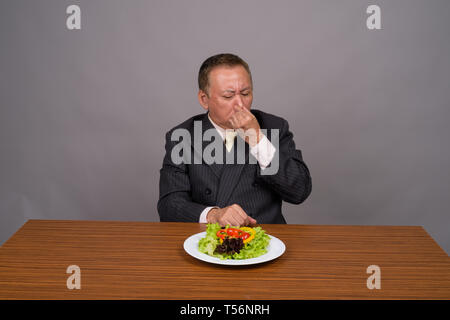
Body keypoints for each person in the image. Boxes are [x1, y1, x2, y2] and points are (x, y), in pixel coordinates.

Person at [157, 53, 311, 226]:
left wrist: (258, 139)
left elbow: (299, 191)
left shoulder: (274, 126)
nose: (240, 104)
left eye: (245, 93)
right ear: (204, 99)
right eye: (228, 96)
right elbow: (169, 206)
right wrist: (213, 215)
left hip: (265, 239)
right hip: (206, 243)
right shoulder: (182, 136)